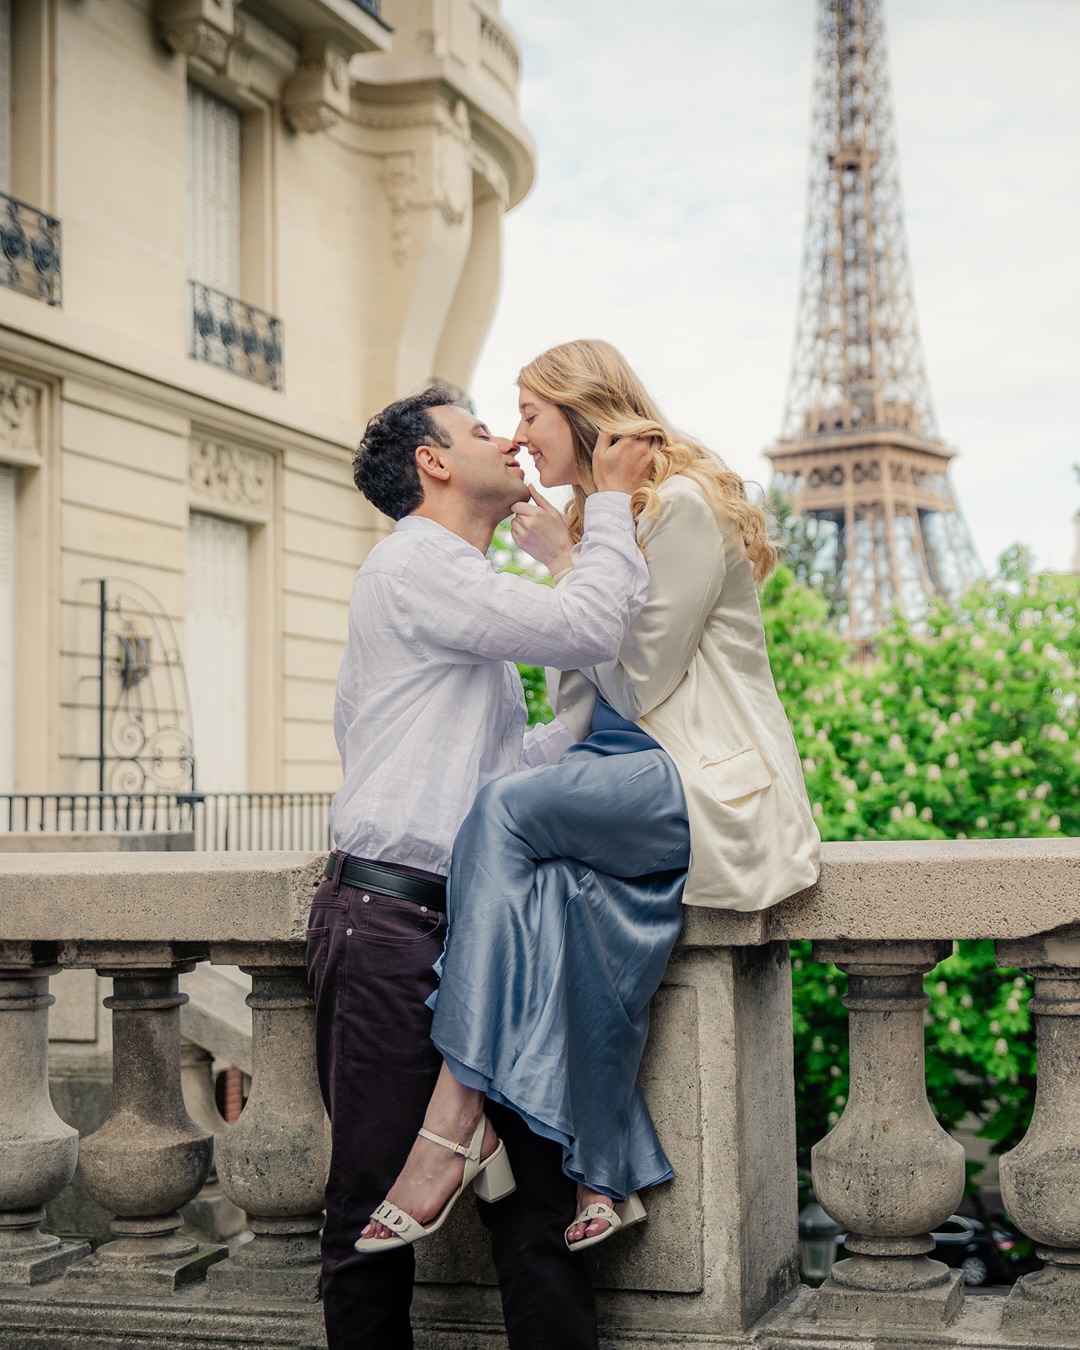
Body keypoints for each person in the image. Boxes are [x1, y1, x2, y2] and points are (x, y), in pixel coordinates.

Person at [360, 339, 821, 1256]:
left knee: (499, 814)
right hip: (614, 773)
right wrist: (582, 544)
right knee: (576, 928)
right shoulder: (607, 519)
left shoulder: (679, 505)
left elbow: (638, 676)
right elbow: (578, 698)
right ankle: (604, 1168)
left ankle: (454, 1119)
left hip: (682, 774)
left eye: (530, 414)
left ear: (582, 411)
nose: (521, 438)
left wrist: (573, 557)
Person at [308, 383, 654, 1350]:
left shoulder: (462, 600)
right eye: (477, 430)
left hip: (478, 930)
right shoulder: (417, 563)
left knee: (539, 1204)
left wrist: (599, 712)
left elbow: (513, 768)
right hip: (389, 923)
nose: (506, 439)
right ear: (433, 462)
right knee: (371, 1212)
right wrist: (611, 509)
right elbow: (584, 628)